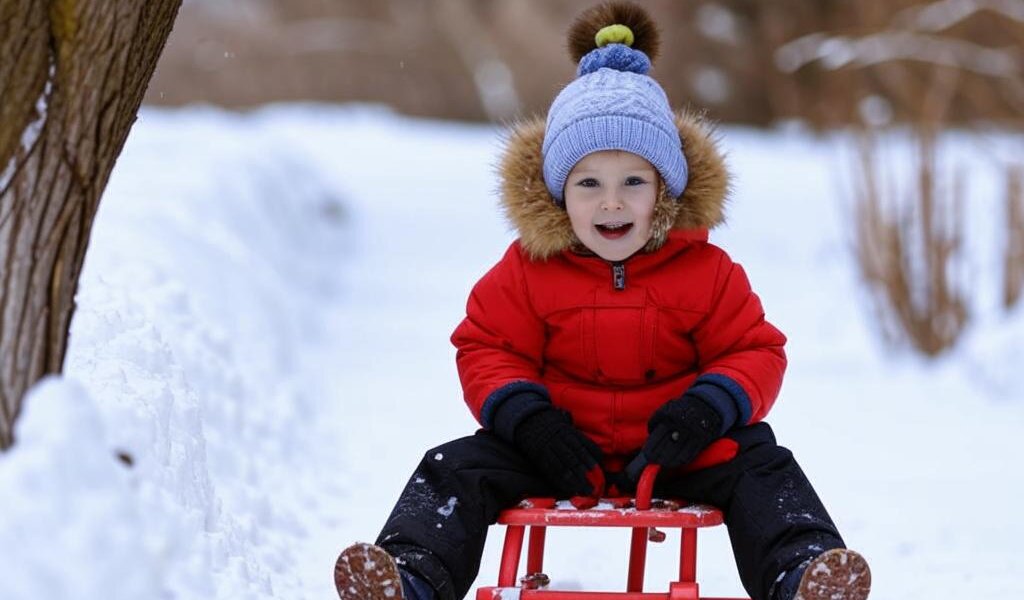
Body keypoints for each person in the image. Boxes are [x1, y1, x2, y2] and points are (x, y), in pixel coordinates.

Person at [333, 3, 871, 600]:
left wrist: (704, 412)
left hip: (676, 451)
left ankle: (801, 574)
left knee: (765, 465)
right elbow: (486, 345)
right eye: (589, 183)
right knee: (452, 467)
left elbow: (755, 349)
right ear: (560, 194)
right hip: (558, 448)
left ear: (664, 190)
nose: (611, 204)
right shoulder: (529, 269)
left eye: (633, 183)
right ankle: (409, 580)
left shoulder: (707, 271)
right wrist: (528, 421)